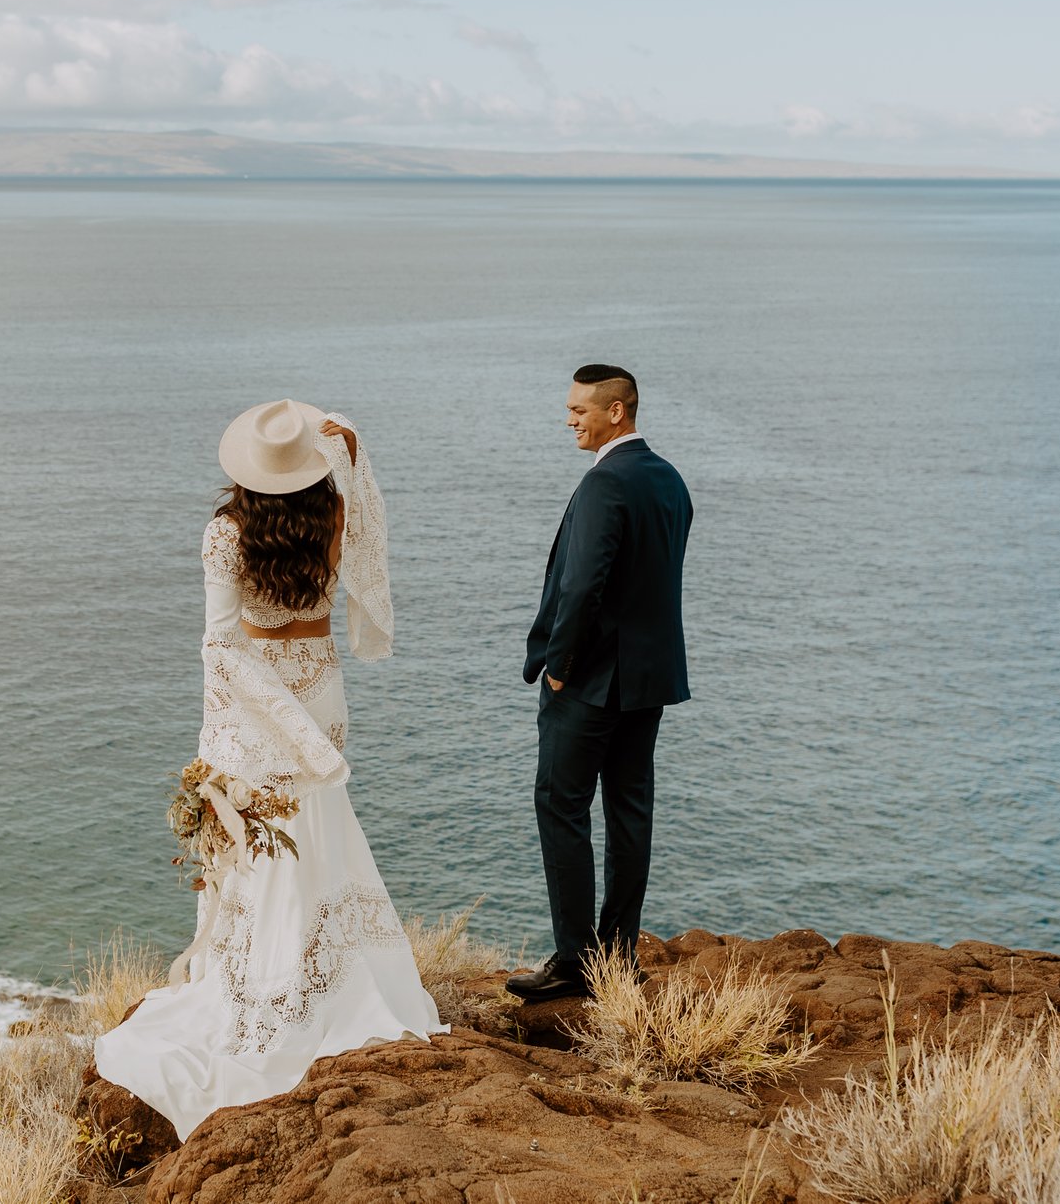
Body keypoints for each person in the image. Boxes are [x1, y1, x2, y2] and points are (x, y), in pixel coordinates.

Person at [94, 400, 442, 1140]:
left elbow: (222, 646)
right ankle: (323, 982)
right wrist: (345, 441)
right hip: (321, 686)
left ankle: (269, 994)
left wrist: (271, 723)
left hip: (256, 702)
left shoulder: (226, 534)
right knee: (317, 832)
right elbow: (366, 515)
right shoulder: (334, 514)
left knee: (259, 850)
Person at [507, 364, 694, 1003]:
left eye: (579, 409)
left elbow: (582, 586)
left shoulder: (603, 485)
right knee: (629, 812)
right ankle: (617, 955)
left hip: (588, 684)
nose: (569, 420)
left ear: (616, 411)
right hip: (648, 681)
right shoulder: (669, 479)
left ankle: (572, 961)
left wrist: (559, 663)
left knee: (560, 807)